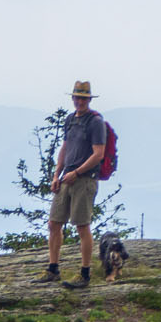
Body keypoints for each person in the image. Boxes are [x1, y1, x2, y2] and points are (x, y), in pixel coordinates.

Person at [41, 80, 107, 287]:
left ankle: (85, 274)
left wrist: (77, 173)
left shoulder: (95, 122)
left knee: (82, 226)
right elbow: (65, 148)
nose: (79, 101)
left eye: (83, 98)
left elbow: (98, 155)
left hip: (84, 180)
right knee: (54, 224)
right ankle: (53, 269)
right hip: (67, 178)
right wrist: (56, 175)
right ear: (72, 98)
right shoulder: (70, 120)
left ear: (89, 99)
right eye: (77, 97)